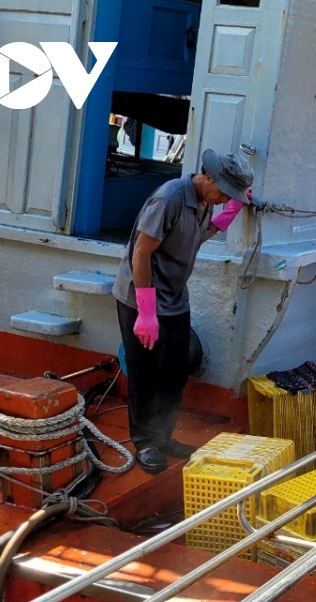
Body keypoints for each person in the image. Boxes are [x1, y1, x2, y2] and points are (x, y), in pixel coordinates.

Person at [112, 149, 253, 473]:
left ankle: (164, 437)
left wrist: (232, 210)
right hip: (141, 297)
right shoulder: (170, 199)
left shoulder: (205, 201)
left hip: (175, 298)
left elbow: (199, 235)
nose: (224, 199)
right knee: (146, 372)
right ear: (208, 177)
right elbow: (141, 253)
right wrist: (146, 313)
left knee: (175, 370)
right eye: (224, 193)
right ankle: (146, 442)